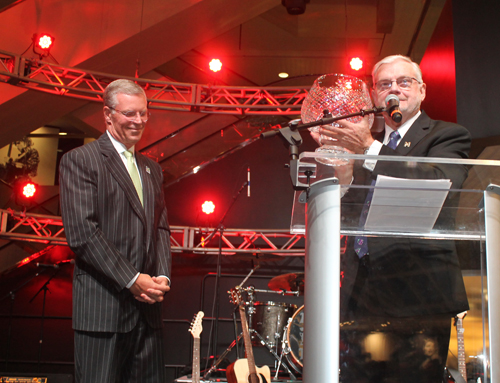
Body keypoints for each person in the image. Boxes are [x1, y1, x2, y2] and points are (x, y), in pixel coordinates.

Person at [312, 55, 470, 382]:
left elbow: (435, 180)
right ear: (373, 95)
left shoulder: (447, 135)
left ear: (422, 90)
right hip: (361, 297)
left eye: (403, 82)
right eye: (384, 84)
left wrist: (369, 148)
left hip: (419, 297)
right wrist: (342, 173)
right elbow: (351, 216)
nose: (394, 88)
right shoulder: (360, 148)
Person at [60, 79, 172, 383]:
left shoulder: (152, 169)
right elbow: (83, 233)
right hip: (102, 312)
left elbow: (161, 227)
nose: (138, 121)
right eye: (129, 114)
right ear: (108, 115)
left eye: (143, 114)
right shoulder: (80, 161)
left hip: (147, 315)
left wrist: (162, 276)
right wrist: (133, 280)